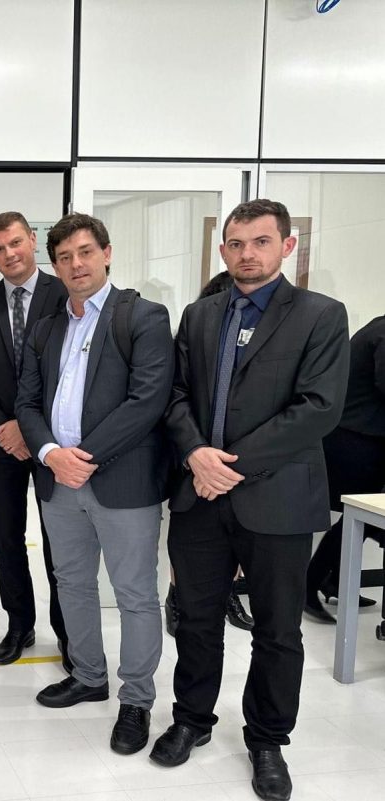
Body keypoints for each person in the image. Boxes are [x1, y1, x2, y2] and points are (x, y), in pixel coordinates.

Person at [151, 199, 349, 801]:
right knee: (196, 619)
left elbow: (318, 409)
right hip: (199, 497)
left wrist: (226, 467)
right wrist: (195, 453)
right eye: (236, 244)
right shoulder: (200, 315)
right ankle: (191, 719)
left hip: (276, 499)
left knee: (278, 630)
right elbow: (174, 394)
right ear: (223, 250)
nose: (247, 254)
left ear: (287, 246)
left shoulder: (320, 315)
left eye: (261, 242)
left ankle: (267, 739)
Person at [14, 212, 173, 756]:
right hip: (58, 482)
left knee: (134, 594)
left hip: (122, 483)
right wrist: (51, 454)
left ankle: (136, 699)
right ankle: (87, 675)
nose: (76, 264)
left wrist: (84, 457)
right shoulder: (46, 327)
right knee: (72, 583)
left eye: (85, 252)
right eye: (64, 257)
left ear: (106, 253)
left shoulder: (143, 316)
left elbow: (147, 400)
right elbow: (26, 403)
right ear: (55, 266)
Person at [0, 211, 70, 668]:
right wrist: (7, 428)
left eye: (15, 243)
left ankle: (68, 633)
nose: (9, 254)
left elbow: (70, 372)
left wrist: (33, 430)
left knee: (59, 541)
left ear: (32, 240)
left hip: (54, 443)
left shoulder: (64, 294)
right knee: (8, 538)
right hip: (2, 443)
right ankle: (19, 624)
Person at [164, 270, 254, 636]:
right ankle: (176, 596)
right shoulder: (194, 329)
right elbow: (177, 396)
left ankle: (229, 592)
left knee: (235, 529)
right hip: (191, 457)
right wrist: (198, 454)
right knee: (190, 534)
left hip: (240, 462)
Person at [304, 314, 385, 624]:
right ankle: (310, 583)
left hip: (357, 435)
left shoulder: (379, 326)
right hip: (357, 440)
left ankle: (334, 580)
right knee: (361, 516)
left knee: (362, 517)